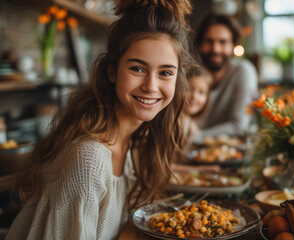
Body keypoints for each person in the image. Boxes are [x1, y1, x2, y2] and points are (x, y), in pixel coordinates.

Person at [5, 0, 195, 239]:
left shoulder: (133, 139)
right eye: (137, 69)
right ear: (112, 71)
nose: (151, 86)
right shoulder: (89, 161)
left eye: (165, 73)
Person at [194, 13, 258, 141]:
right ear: (200, 44)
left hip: (235, 153)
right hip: (193, 153)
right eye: (209, 41)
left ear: (233, 45)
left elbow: (240, 127)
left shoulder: (243, 71)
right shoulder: (191, 75)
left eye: (223, 42)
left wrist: (195, 137)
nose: (216, 49)